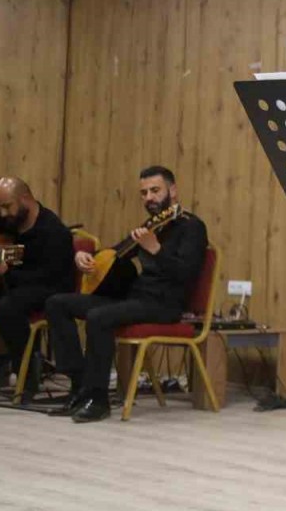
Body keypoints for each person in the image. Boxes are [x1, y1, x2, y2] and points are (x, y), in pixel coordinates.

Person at [44, 166, 208, 422]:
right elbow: (114, 255)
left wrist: (156, 250)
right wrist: (85, 257)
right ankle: (79, 386)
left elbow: (186, 274)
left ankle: (98, 400)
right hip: (135, 299)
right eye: (144, 193)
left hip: (165, 304)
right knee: (57, 303)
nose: (149, 198)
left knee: (99, 317)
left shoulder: (192, 227)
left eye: (155, 190)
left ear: (173, 191)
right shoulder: (152, 225)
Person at [0, 177, 75, 398]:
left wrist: (5, 271)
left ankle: (26, 374)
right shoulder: (9, 220)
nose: (2, 213)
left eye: (6, 206)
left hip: (49, 289)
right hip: (14, 283)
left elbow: (49, 276)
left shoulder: (54, 232)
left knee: (8, 308)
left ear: (25, 199)